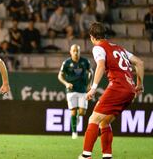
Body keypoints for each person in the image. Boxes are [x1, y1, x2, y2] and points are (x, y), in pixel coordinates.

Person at [78, 23, 144, 159]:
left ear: (92, 37)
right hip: (130, 90)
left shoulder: (98, 47)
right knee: (104, 122)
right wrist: (139, 85)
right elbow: (140, 62)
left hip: (118, 87)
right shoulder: (119, 48)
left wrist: (94, 88)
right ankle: (107, 156)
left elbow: (101, 65)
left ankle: (85, 156)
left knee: (94, 119)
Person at [58, 44, 93, 139]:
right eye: (74, 51)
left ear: (80, 52)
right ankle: (74, 132)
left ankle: (78, 117)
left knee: (82, 112)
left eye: (77, 51)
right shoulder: (66, 63)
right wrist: (66, 84)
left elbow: (91, 72)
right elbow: (60, 76)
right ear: (70, 52)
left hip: (82, 89)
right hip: (71, 90)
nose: (75, 53)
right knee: (73, 111)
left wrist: (90, 84)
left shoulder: (85, 62)